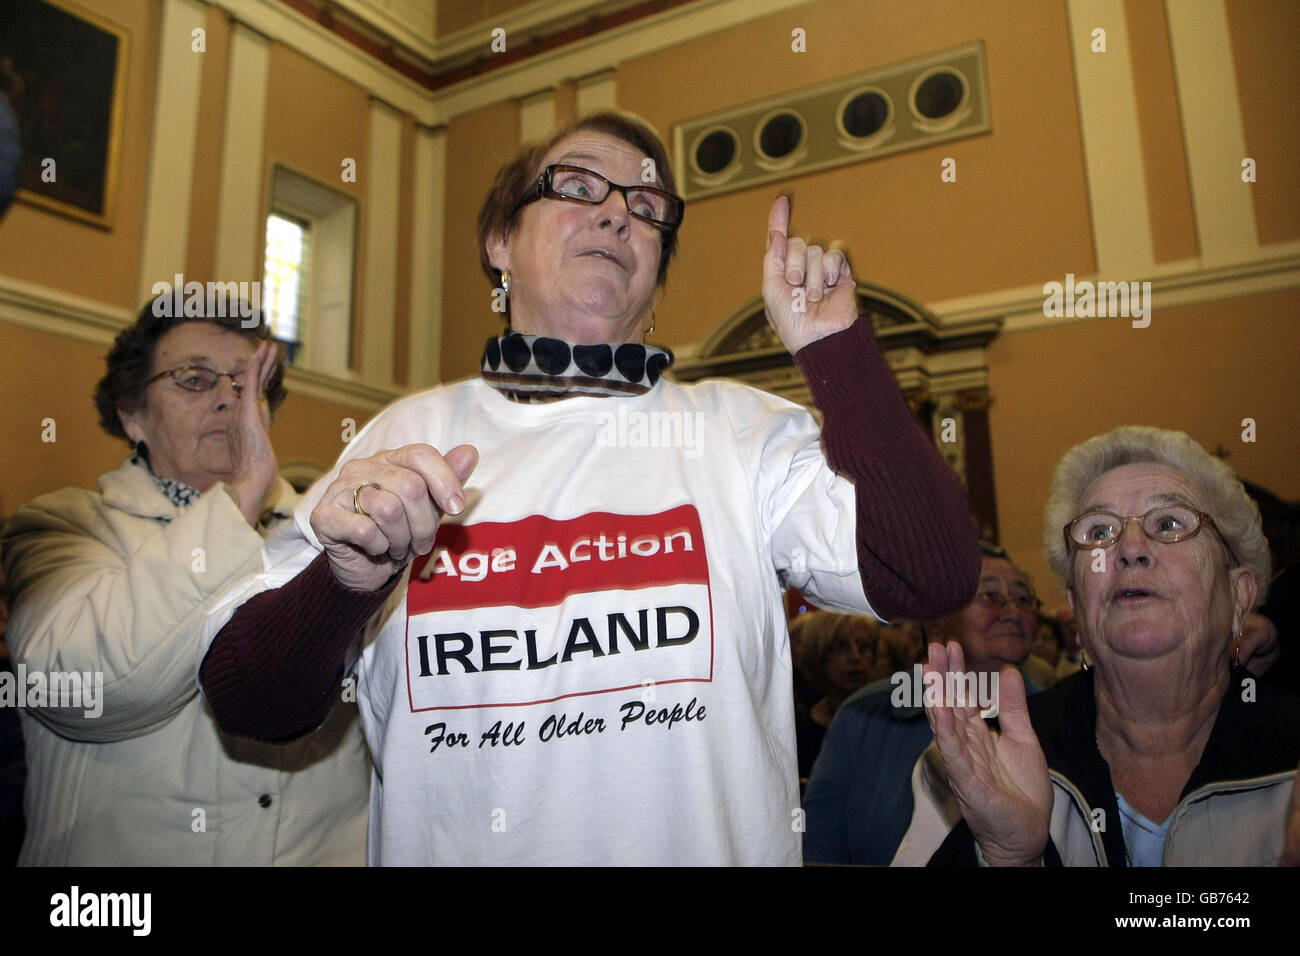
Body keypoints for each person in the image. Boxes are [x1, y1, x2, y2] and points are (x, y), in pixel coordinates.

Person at [198, 111, 979, 866]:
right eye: (576, 187)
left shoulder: (743, 435)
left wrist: (837, 351)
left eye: (645, 207)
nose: (615, 216)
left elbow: (931, 570)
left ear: (655, 267)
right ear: (500, 241)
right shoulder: (400, 440)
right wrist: (347, 582)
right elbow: (248, 701)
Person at [0, 299, 370, 865]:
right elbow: (88, 688)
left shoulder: (336, 532)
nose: (229, 397)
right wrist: (242, 489)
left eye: (249, 383)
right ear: (133, 415)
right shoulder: (63, 525)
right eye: (193, 379)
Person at [915, 426, 1300, 866]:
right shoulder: (988, 755)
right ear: (1077, 606)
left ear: (1239, 597)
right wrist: (1007, 856)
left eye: (1169, 524)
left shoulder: (1290, 755)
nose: (1129, 548)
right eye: (1099, 532)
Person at [803, 543, 1040, 865]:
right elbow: (818, 847)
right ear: (937, 620)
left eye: (1024, 599)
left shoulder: (1061, 715)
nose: (1013, 612)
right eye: (990, 595)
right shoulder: (869, 714)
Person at [792, 611, 881, 779]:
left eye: (864, 646)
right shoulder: (796, 727)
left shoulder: (887, 719)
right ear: (817, 651)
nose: (855, 657)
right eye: (840, 647)